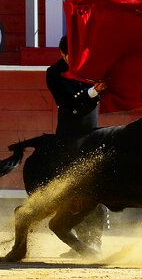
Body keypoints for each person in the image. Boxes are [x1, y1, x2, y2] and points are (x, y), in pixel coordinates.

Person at [46, 35, 107, 255]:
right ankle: (83, 239)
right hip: (70, 140)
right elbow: (68, 102)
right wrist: (93, 92)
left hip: (91, 135)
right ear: (62, 54)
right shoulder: (53, 73)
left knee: (95, 187)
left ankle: (95, 240)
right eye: (73, 56)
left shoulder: (90, 69)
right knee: (74, 190)